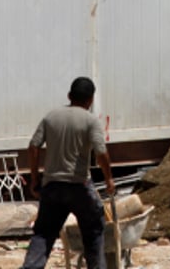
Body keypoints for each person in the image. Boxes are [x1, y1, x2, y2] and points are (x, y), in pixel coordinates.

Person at [20, 77, 116, 269]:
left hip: (52, 187)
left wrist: (35, 178)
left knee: (44, 234)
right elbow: (101, 153)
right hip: (79, 186)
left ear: (69, 96)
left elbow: (33, 147)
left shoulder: (51, 117)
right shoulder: (90, 121)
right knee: (94, 230)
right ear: (90, 100)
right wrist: (109, 179)